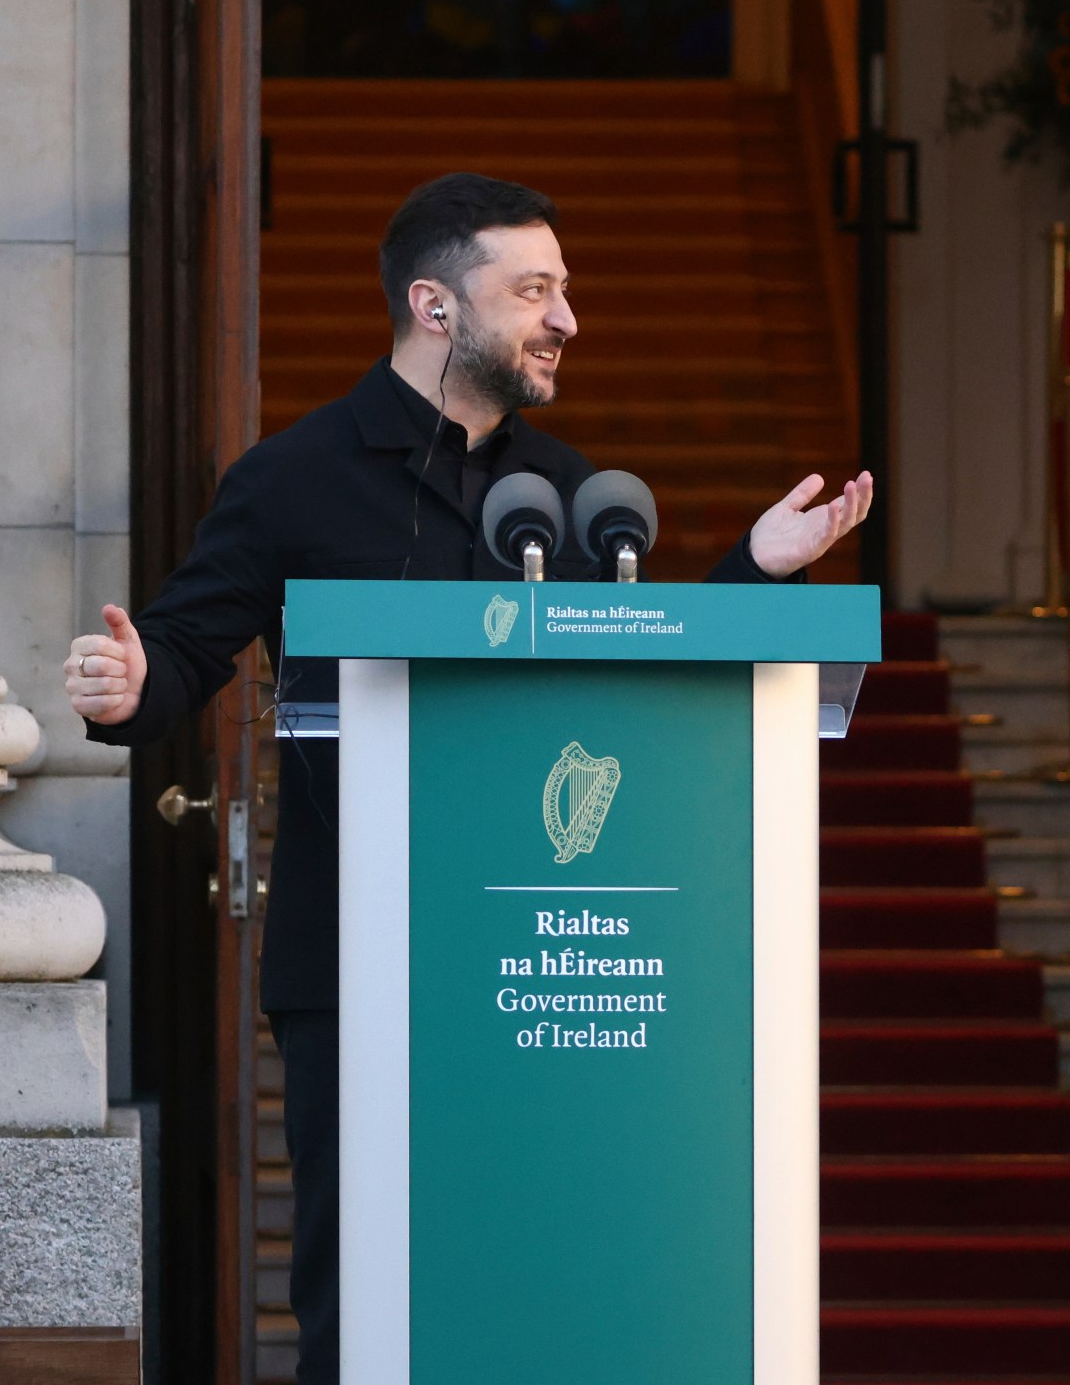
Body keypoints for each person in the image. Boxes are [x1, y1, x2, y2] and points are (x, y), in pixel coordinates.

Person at [60, 173, 872, 1383]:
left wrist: (750, 577)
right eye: (534, 290)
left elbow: (629, 692)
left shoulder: (582, 499)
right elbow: (184, 646)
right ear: (435, 306)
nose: (566, 319)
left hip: (553, 961)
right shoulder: (294, 478)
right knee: (370, 1281)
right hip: (365, 962)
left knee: (547, 1258)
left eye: (566, 290)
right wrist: (136, 685)